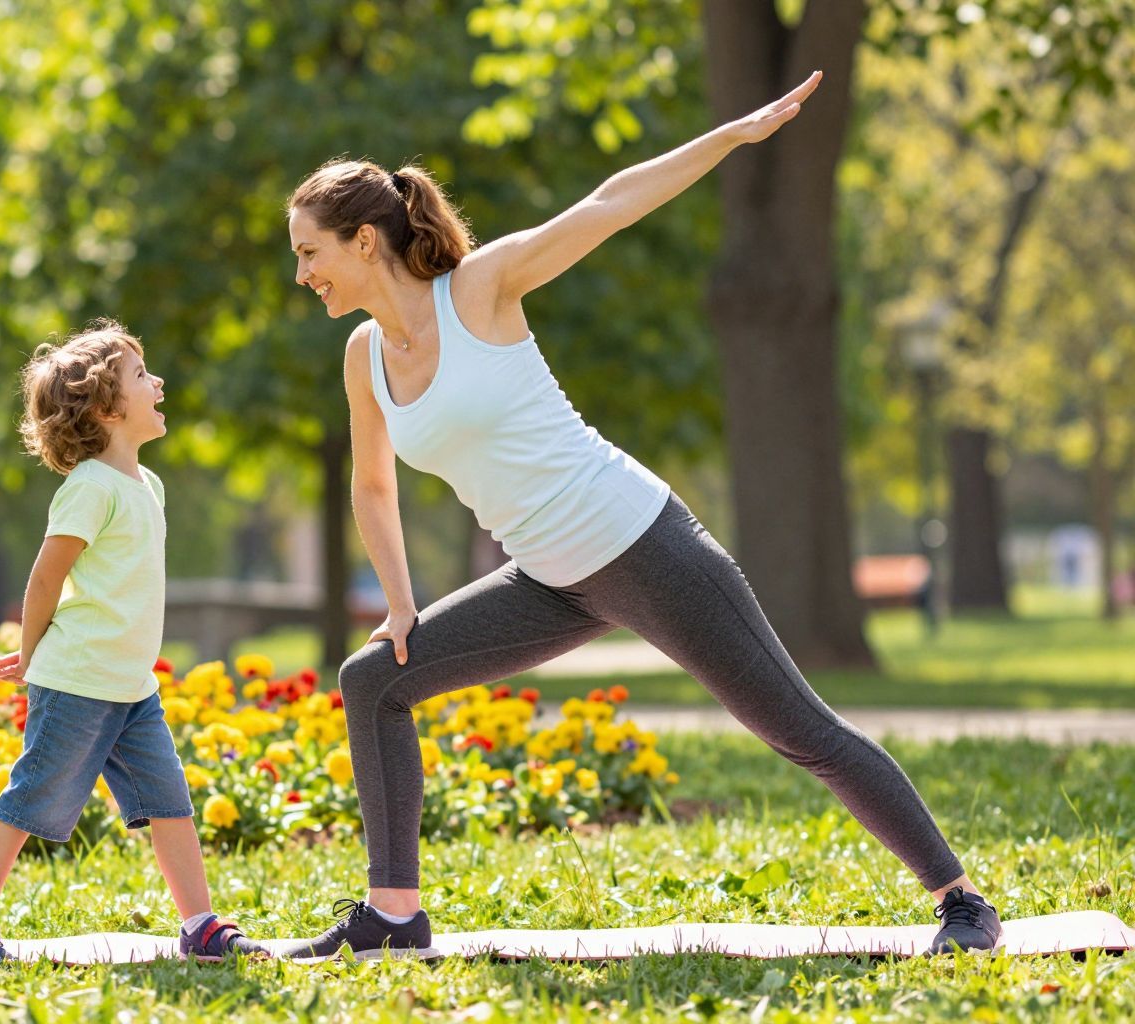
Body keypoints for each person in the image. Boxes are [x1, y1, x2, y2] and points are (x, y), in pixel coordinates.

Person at [280, 71, 1000, 961]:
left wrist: (729, 137)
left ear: (362, 241)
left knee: (798, 730)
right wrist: (400, 604)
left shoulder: (480, 289)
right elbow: (372, 486)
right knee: (374, 679)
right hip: (548, 580)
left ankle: (962, 901)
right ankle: (393, 914)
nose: (302, 274)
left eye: (309, 252)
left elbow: (610, 204)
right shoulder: (364, 354)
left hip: (642, 544)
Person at [0, 322, 266, 963]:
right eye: (142, 375)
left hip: (133, 687)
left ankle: (200, 925)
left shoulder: (149, 485)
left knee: (170, 802)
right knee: (29, 798)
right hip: (78, 682)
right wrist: (31, 654)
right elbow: (45, 579)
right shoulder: (90, 487)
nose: (158, 382)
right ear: (106, 408)